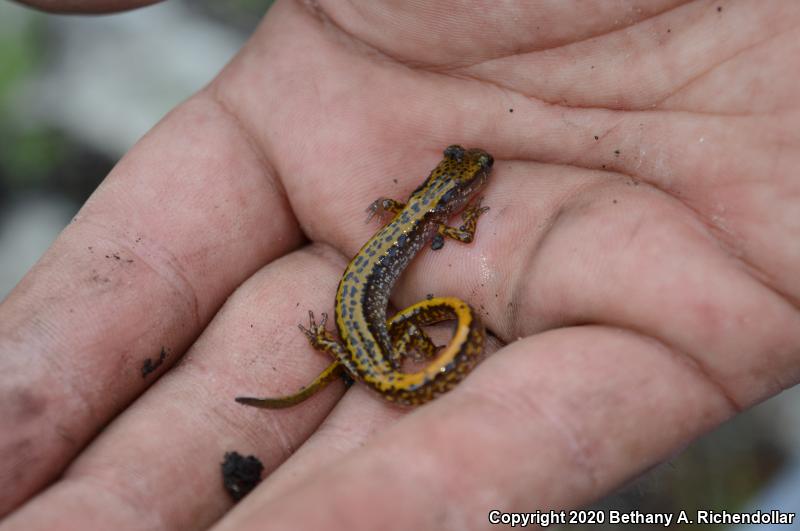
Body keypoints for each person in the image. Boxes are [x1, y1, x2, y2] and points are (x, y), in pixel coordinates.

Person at [2, 1, 799, 529]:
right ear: (450, 188)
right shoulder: (431, 222)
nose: (472, 179)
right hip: (372, 330)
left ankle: (372, 353)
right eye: (466, 179)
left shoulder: (416, 213)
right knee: (377, 349)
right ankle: (377, 355)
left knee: (373, 341)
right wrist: (381, 334)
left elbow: (414, 225)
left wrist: (372, 330)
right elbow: (437, 235)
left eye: (468, 179)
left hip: (367, 317)